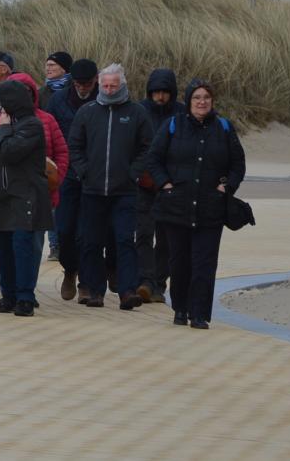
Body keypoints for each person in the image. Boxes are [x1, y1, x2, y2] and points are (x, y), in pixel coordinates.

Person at [145, 80, 246, 329]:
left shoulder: (223, 127)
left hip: (211, 207)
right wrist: (164, 184)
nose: (202, 102)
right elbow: (153, 158)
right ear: (188, 102)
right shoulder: (173, 125)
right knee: (179, 262)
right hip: (176, 205)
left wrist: (227, 187)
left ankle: (199, 313)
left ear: (212, 101)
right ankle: (180, 308)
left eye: (206, 98)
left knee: (205, 262)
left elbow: (238, 164)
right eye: (197, 98)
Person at [66, 63, 154, 310]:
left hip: (124, 191)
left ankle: (127, 291)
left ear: (122, 85)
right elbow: (75, 146)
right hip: (92, 190)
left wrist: (134, 173)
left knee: (125, 241)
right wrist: (84, 172)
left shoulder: (136, 113)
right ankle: (95, 291)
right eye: (105, 85)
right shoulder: (87, 112)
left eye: (113, 85)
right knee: (91, 242)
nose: (109, 89)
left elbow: (147, 147)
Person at [0, 80, 54, 316]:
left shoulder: (32, 125)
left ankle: (25, 297)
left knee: (22, 248)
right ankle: (8, 295)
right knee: (4, 250)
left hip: (24, 196)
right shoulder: (8, 122)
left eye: (1, 103)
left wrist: (2, 129)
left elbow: (10, 152)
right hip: (3, 198)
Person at [46, 58, 99, 296]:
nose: (82, 87)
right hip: (66, 172)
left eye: (87, 83)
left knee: (89, 230)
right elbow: (47, 132)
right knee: (64, 228)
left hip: (94, 173)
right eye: (78, 83)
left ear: (95, 80)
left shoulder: (103, 98)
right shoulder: (59, 100)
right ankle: (70, 269)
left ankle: (86, 283)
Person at [138, 67, 188, 303]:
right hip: (144, 183)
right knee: (144, 233)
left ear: (172, 93)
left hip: (171, 184)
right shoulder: (139, 110)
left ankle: (159, 283)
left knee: (166, 237)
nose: (160, 97)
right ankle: (145, 281)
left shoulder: (181, 114)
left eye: (165, 92)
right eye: (156, 92)